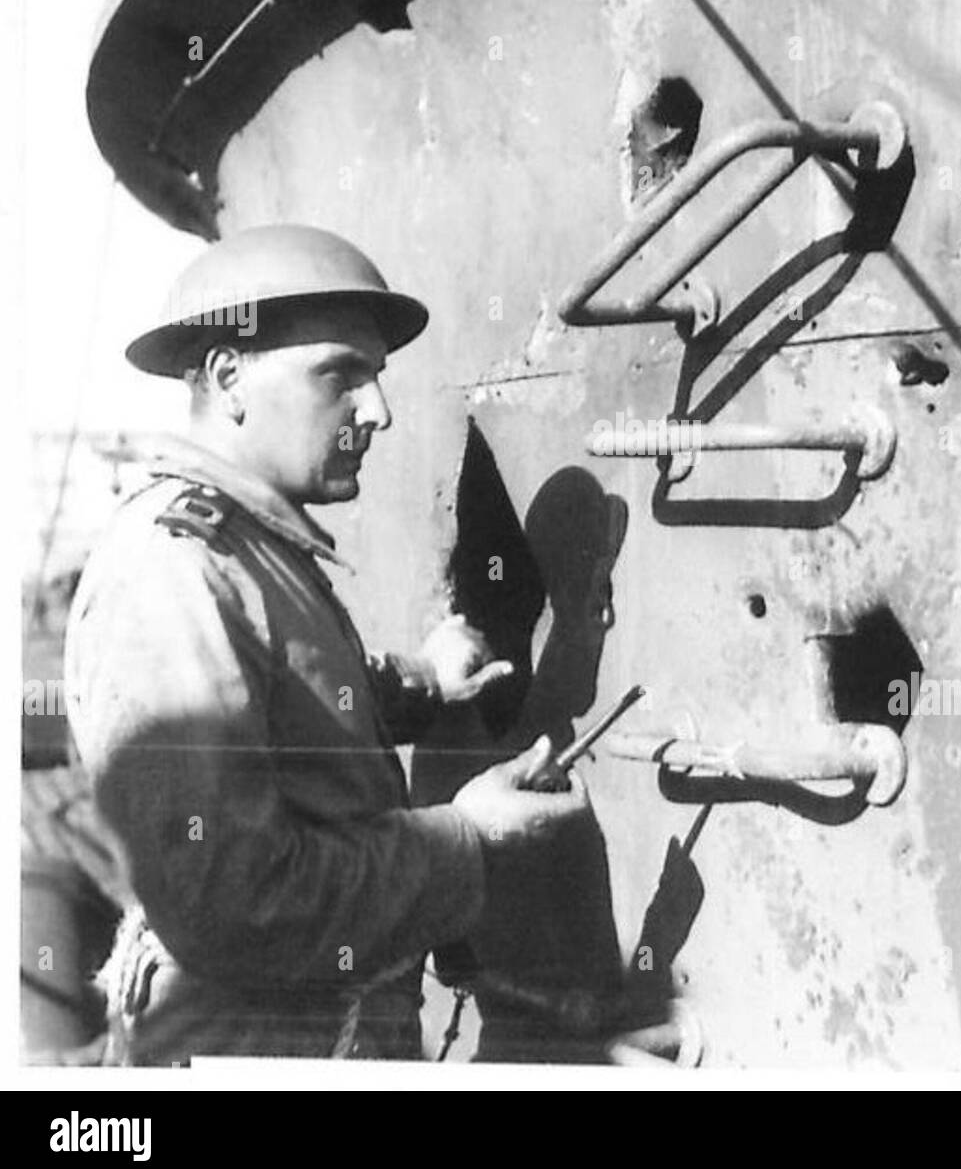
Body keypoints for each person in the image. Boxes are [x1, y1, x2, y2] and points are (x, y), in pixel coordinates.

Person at [64, 224, 587, 1065]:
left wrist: (420, 681)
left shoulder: (245, 548)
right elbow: (230, 900)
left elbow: (274, 707)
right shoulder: (173, 571)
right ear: (229, 377)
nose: (378, 412)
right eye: (340, 376)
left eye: (376, 379)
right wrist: (468, 836)